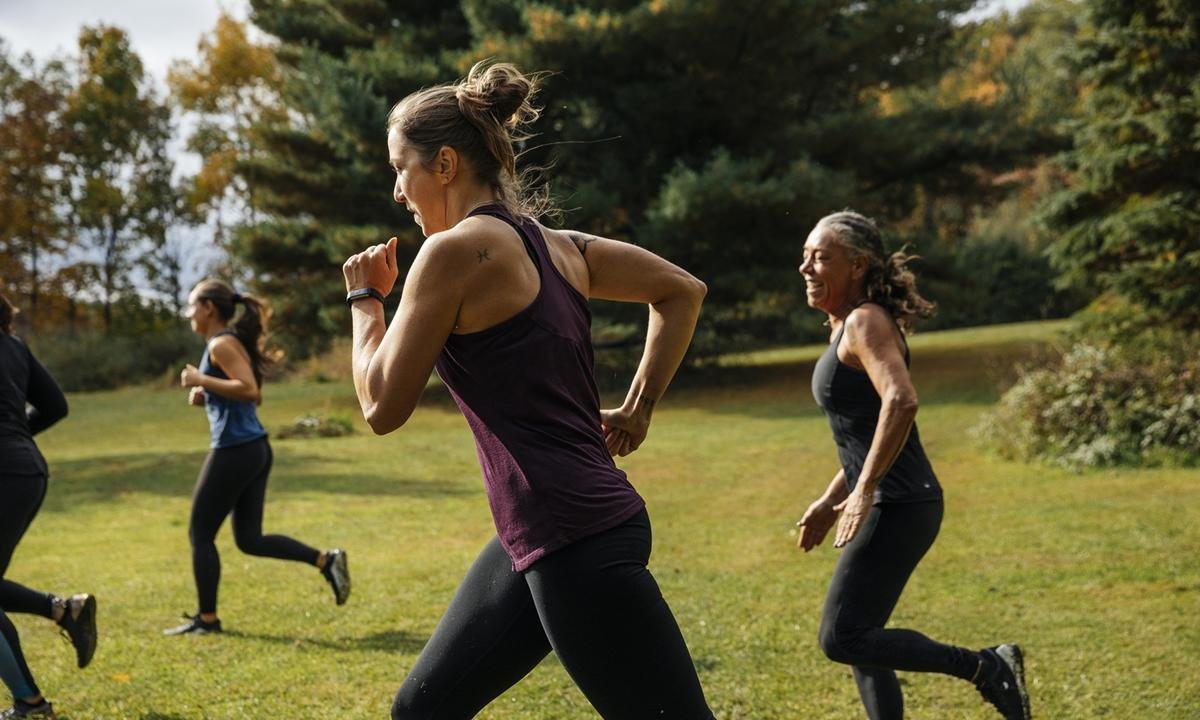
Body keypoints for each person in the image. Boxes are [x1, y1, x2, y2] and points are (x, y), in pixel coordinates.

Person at [342, 61, 714, 719]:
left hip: (577, 540)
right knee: (421, 711)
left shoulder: (454, 253)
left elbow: (380, 405)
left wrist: (366, 298)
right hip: (553, 532)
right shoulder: (558, 246)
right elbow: (680, 291)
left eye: (401, 168)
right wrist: (639, 407)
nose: (398, 191)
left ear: (447, 165)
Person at [794, 211, 1031, 720]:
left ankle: (987, 666)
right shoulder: (845, 324)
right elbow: (866, 433)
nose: (806, 267)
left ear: (856, 265)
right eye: (806, 255)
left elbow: (901, 402)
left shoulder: (865, 322)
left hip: (899, 503)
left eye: (821, 256)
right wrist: (832, 498)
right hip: (891, 499)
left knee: (843, 637)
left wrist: (864, 491)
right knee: (863, 637)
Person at [165, 280, 350, 635]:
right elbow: (250, 395)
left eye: (191, 306)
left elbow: (249, 390)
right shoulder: (225, 343)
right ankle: (326, 560)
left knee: (200, 532)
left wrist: (201, 378)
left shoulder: (221, 344)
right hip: (251, 449)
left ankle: (208, 620)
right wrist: (210, 393)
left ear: (208, 308)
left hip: (236, 450)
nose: (188, 313)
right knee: (250, 540)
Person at [0, 289, 95, 719]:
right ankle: (64, 610)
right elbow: (55, 406)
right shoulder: (14, 345)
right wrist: (16, 437)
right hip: (27, 471)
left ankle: (31, 703)